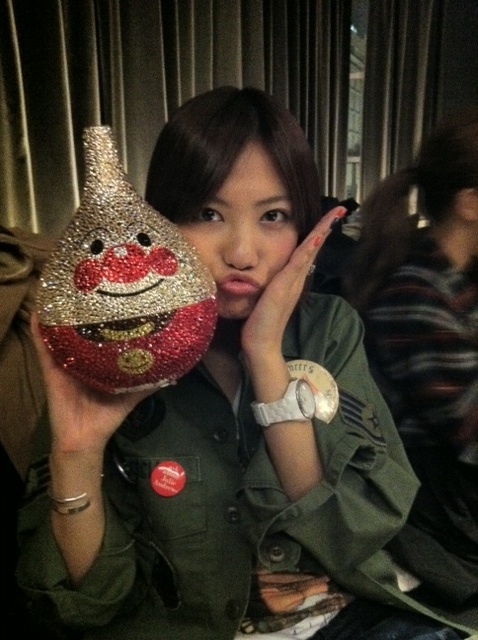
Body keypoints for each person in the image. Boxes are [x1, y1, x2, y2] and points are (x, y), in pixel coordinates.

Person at [14, 87, 475, 639]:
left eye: (273, 216)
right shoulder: (115, 348)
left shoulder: (328, 329)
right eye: (208, 214)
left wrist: (265, 355)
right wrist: (76, 451)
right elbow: (85, 606)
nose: (241, 252)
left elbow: (349, 535)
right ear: (161, 221)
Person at [342, 108, 478, 621]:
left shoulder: (460, 279)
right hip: (437, 508)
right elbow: (471, 434)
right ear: (470, 203)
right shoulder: (417, 298)